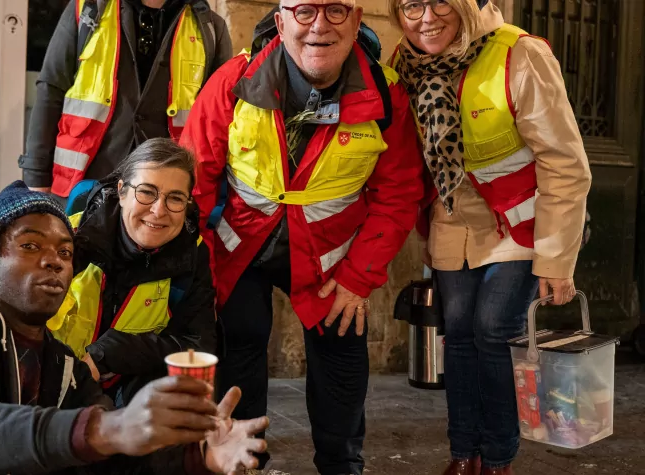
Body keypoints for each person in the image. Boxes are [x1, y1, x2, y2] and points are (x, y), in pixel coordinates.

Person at [0, 180, 269, 475]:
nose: (54, 260)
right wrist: (109, 428)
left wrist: (201, 457)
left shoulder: (62, 363)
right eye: (31, 246)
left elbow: (115, 454)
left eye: (66, 252)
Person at [179, 0, 426, 473]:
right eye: (305, 11)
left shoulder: (385, 94)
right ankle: (241, 463)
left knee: (341, 349)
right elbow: (194, 184)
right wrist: (201, 271)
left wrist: (358, 279)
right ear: (281, 21)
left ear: (357, 20)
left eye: (336, 11)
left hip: (332, 258)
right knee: (240, 338)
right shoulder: (234, 81)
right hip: (240, 248)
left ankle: (342, 464)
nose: (319, 26)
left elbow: (398, 195)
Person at [387, 1, 591, 474]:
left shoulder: (519, 54)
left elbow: (565, 163)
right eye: (411, 5)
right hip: (452, 219)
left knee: (495, 330)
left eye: (440, 1)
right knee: (458, 333)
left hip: (518, 222)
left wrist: (557, 259)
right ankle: (464, 454)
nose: (426, 17)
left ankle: (499, 460)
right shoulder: (403, 63)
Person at [48, 138, 216, 406]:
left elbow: (199, 345)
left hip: (130, 388)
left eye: (175, 198)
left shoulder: (191, 253)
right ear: (122, 192)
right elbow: (19, 318)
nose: (158, 211)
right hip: (53, 385)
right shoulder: (67, 240)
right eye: (146, 192)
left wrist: (115, 351)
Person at [19, 0, 233, 207]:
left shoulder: (210, 27)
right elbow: (51, 90)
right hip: (84, 185)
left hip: (161, 197)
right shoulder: (87, 9)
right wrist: (37, 177)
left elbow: (217, 123)